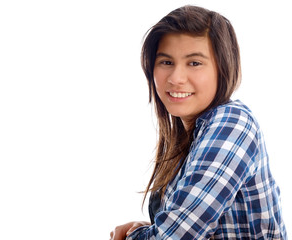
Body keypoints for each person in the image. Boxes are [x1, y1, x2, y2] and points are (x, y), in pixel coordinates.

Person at [110, 5, 287, 240]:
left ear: (222, 68)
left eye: (194, 63)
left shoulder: (232, 122)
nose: (176, 78)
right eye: (166, 62)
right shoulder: (191, 138)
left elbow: (174, 236)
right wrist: (146, 228)